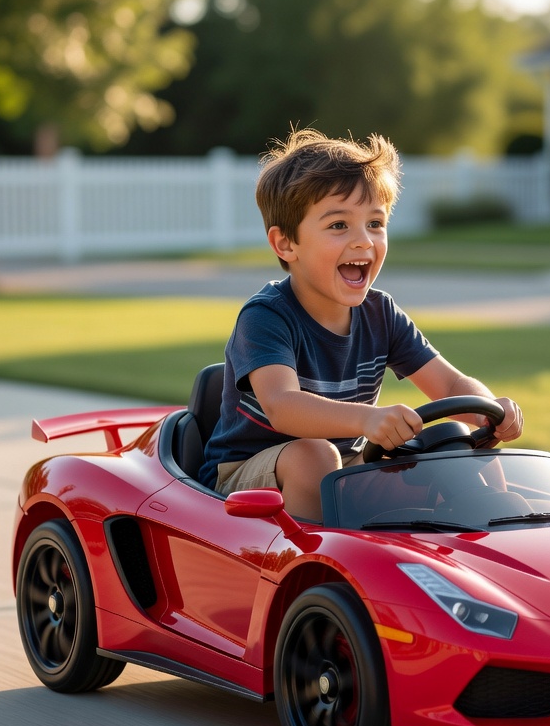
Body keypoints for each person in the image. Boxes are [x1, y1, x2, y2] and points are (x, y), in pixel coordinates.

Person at [199, 128, 522, 521]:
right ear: (286, 244)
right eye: (339, 225)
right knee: (313, 454)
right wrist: (367, 418)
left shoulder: (380, 313)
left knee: (458, 447)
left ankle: (501, 528)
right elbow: (282, 406)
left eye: (375, 223)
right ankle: (317, 562)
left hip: (344, 465)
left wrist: (489, 412)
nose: (363, 242)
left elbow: (451, 385)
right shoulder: (266, 317)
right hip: (245, 480)